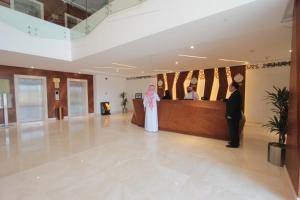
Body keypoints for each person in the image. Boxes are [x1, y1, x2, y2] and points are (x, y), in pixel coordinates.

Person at [226, 81, 242, 148]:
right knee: (233, 129)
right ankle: (233, 141)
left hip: (233, 116)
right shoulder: (235, 93)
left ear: (233, 87)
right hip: (234, 116)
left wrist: (230, 115)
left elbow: (234, 106)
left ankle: (234, 144)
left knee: (233, 129)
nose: (229, 87)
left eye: (230, 86)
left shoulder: (236, 94)